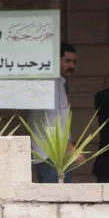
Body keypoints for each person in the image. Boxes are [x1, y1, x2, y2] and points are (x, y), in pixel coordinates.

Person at [28, 42, 82, 183]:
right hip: (50, 155)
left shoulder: (57, 83)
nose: (72, 66)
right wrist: (70, 148)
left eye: (74, 62)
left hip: (56, 154)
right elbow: (51, 121)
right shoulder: (48, 84)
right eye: (67, 61)